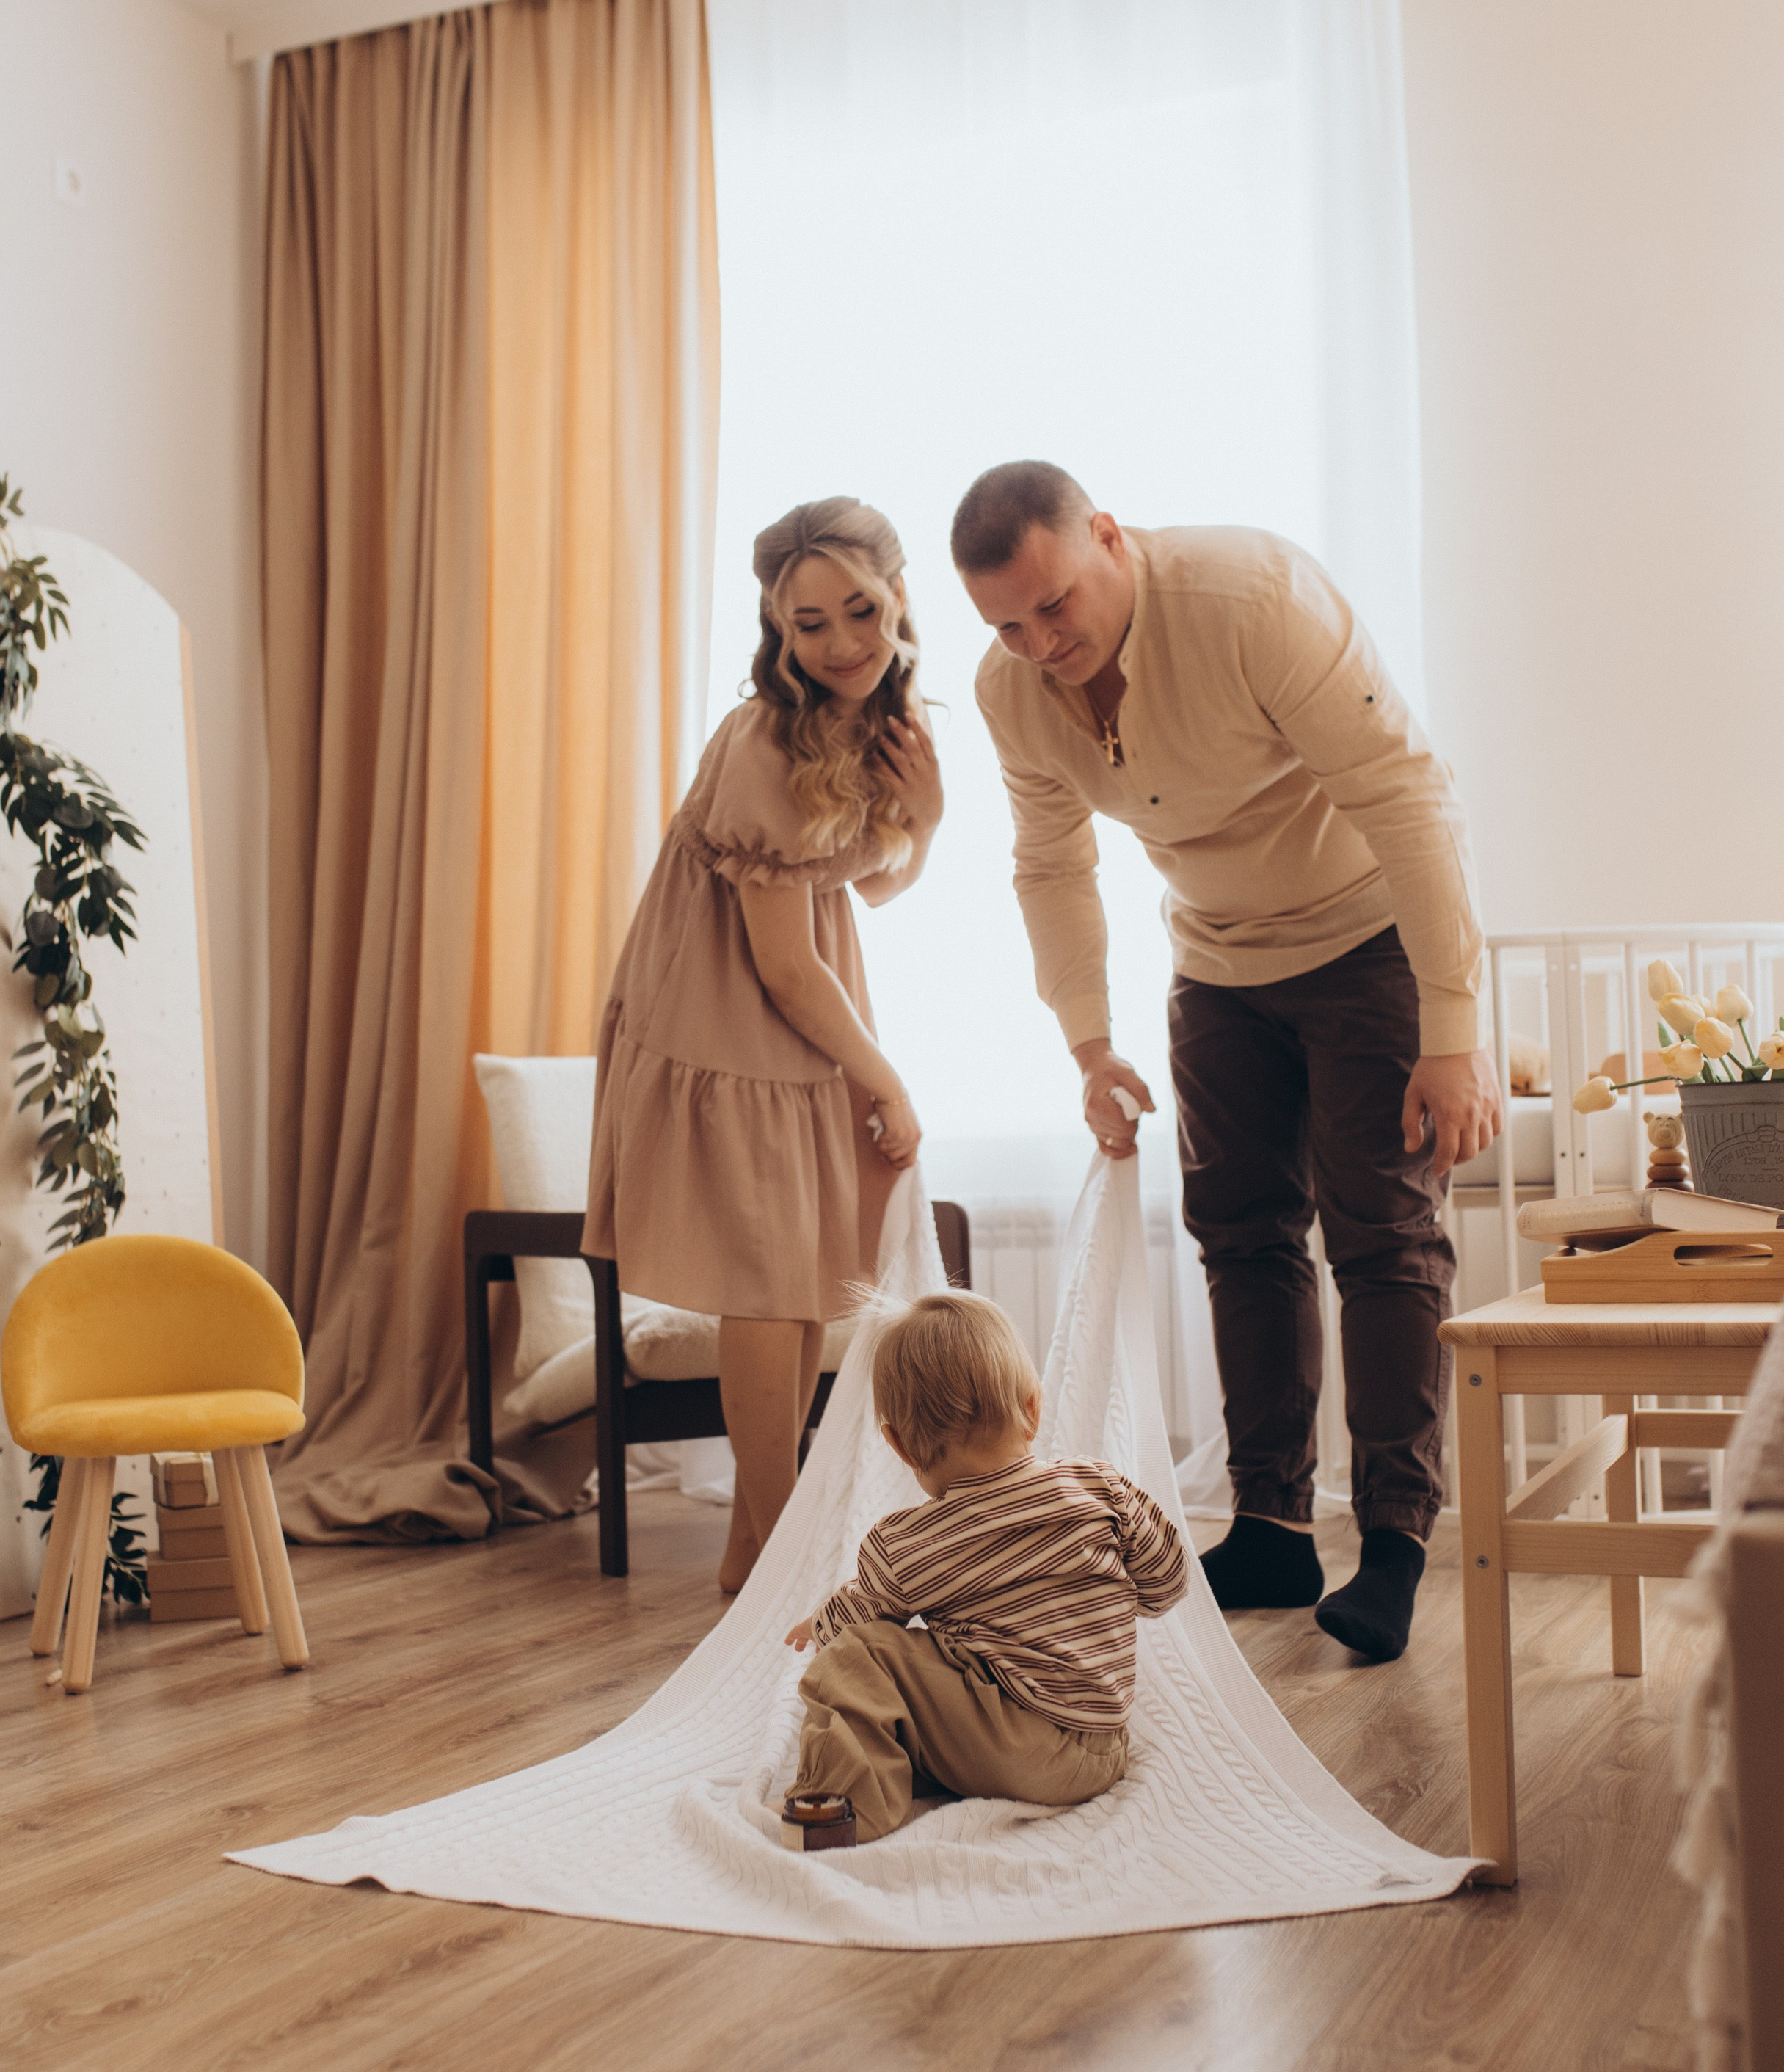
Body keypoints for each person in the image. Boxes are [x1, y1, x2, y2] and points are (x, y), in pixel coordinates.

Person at [952, 460, 1499, 1667]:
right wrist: (1090, 1049)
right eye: (1007, 622)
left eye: (1055, 605)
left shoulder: (1251, 599)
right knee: (1239, 1233)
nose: (1041, 640)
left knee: (1384, 1234)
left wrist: (1453, 1031)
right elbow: (1051, 863)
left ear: (1105, 536)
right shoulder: (1012, 689)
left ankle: (1397, 1543)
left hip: (1367, 943)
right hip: (1216, 964)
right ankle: (1270, 1529)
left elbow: (1410, 799)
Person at [585, 498, 942, 1595]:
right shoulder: (766, 735)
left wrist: (924, 818)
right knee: (768, 1279)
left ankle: (755, 1563)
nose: (839, 645)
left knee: (794, 1281)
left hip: (797, 999)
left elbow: (868, 888)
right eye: (807, 624)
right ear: (775, 629)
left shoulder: (871, 723)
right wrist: (885, 1077)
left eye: (860, 614)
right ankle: (787, 1563)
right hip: (725, 1005)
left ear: (895, 600)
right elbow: (781, 964)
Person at [781, 1290, 1187, 1849]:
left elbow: (863, 1614)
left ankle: (843, 1808)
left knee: (858, 1658)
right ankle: (906, 1760)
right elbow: (1167, 1585)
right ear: (1033, 1406)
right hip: (1102, 1752)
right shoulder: (1101, 1489)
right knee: (935, 1678)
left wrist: (820, 1624)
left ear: (899, 1445)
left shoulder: (908, 1543)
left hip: (1017, 1745)